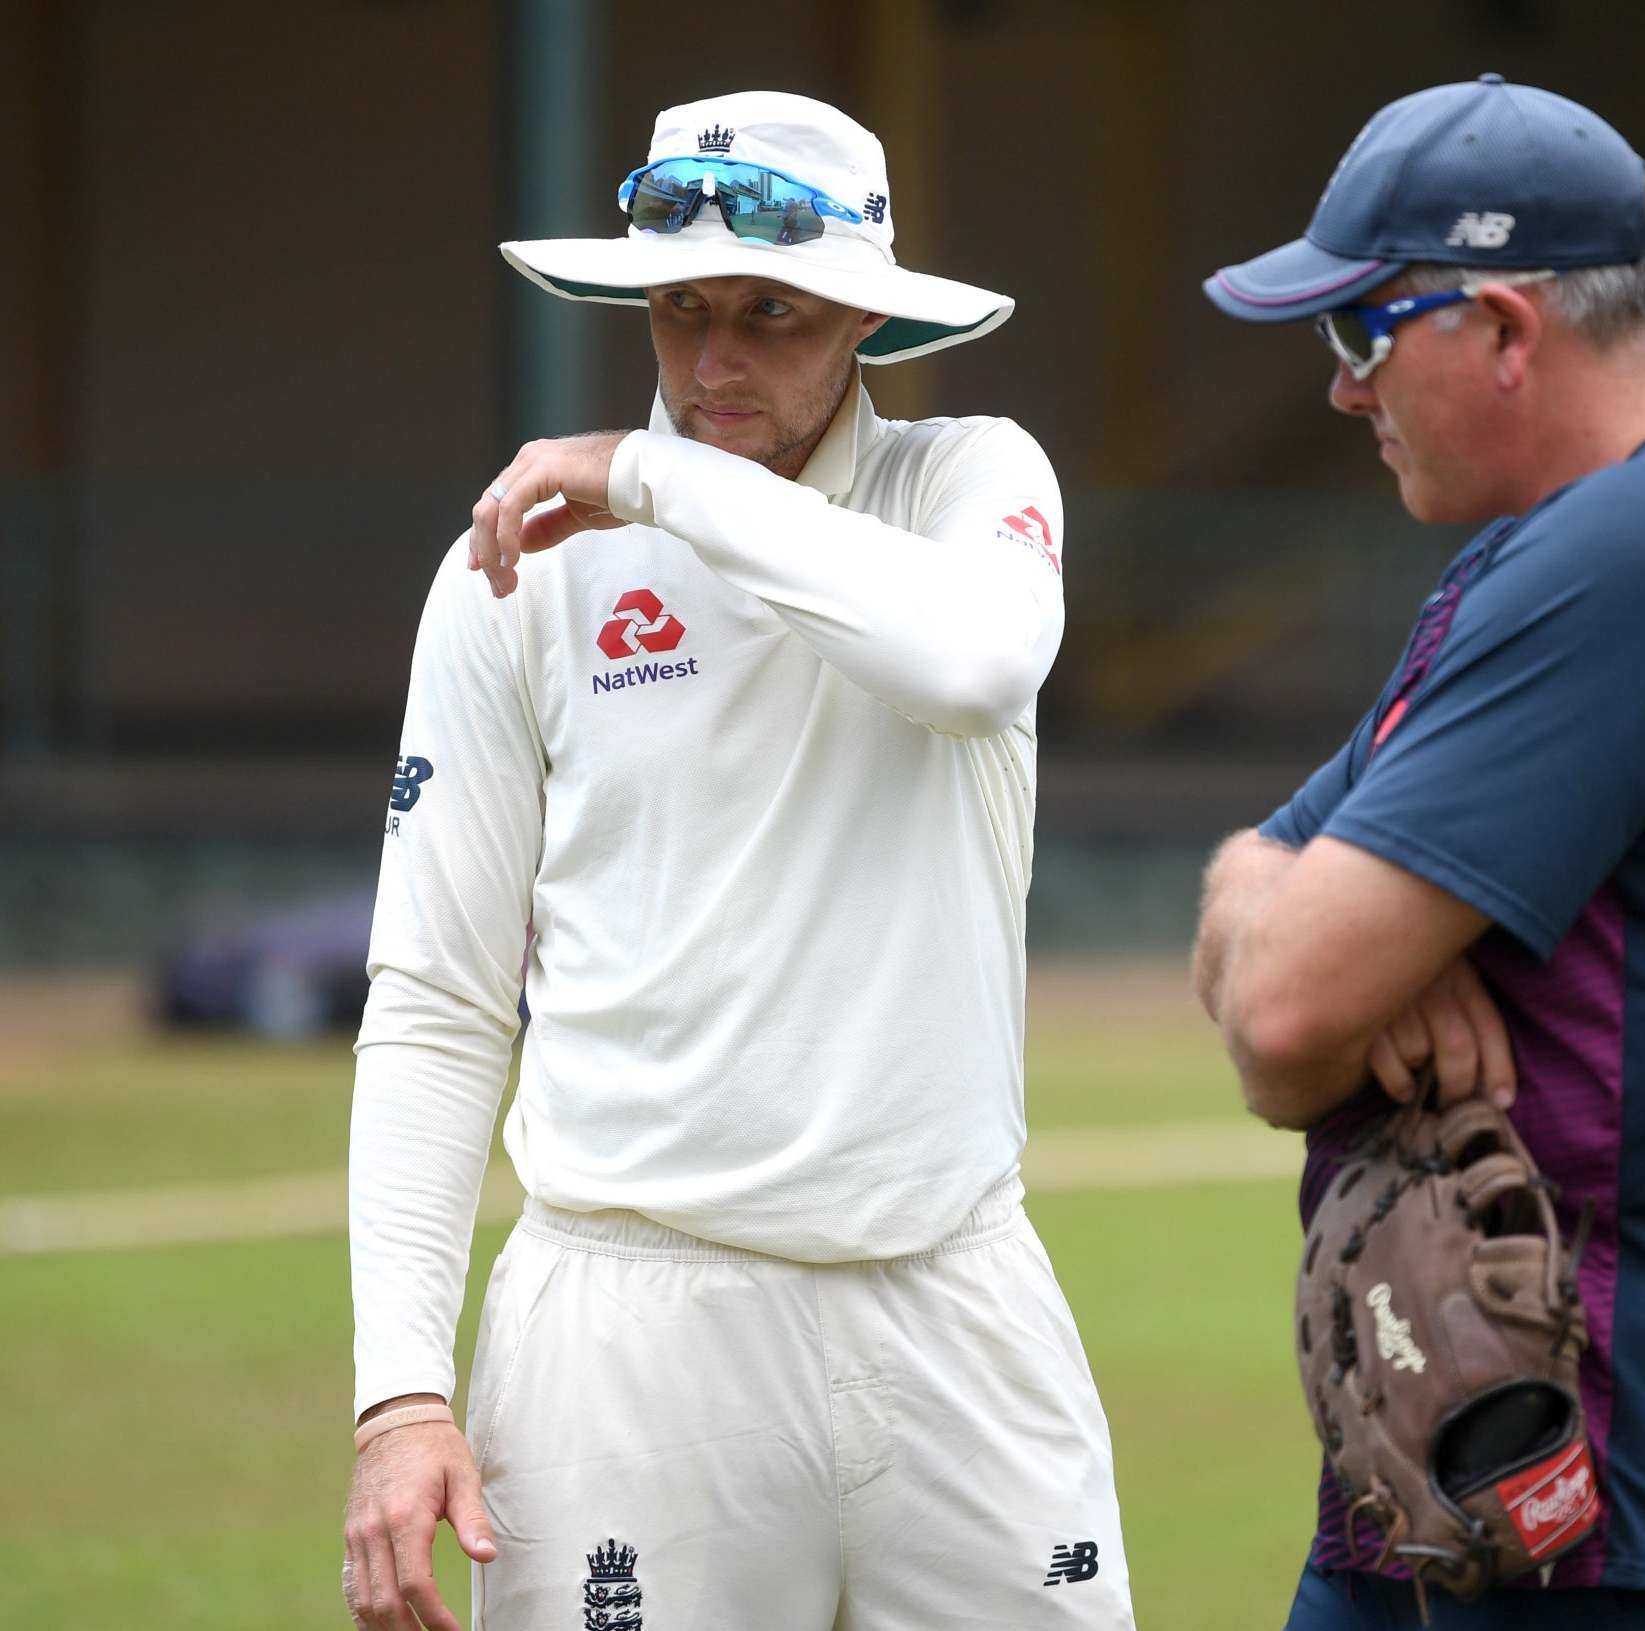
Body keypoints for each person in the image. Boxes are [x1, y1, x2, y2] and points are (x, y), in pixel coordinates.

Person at [341, 90, 1133, 1631]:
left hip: (953, 1302)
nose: (713, 362)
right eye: (681, 307)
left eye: (771, 312)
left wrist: (650, 483)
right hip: (627, 1332)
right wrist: (397, 1401)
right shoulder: (515, 565)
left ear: (861, 316)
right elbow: (437, 1001)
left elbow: (972, 663)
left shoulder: (971, 481)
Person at [1190, 77, 1645, 1631]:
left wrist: (1327, 971)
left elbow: (1277, 1015)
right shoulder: (1572, 544)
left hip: (1623, 1514)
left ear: (1505, 329)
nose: (1339, 391)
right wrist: (1325, 947)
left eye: (1358, 333)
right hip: (1476, 1486)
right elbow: (1248, 884)